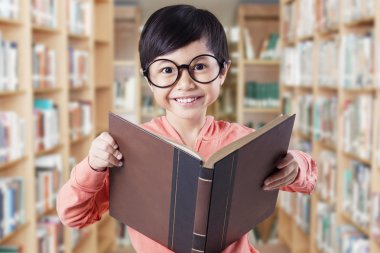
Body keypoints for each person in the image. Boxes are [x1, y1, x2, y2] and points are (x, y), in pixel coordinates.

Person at [57, 4, 317, 253]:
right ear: (149, 79)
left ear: (223, 70)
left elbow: (309, 179)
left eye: (200, 66)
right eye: (168, 70)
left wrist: (296, 165)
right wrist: (92, 165)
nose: (185, 83)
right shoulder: (129, 147)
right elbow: (73, 215)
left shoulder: (244, 141)